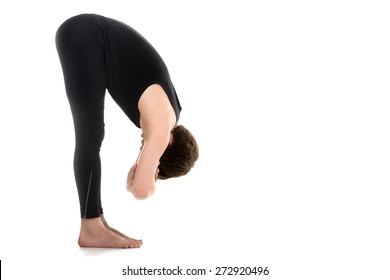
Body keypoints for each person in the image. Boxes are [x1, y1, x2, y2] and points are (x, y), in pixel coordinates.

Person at [55, 14, 199, 249]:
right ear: (167, 146)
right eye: (155, 160)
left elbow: (134, 182)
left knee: (92, 135)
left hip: (87, 36)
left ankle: (97, 220)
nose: (144, 147)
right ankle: (90, 226)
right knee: (90, 135)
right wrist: (146, 177)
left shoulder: (164, 115)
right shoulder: (163, 126)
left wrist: (135, 175)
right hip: (86, 35)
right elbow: (142, 191)